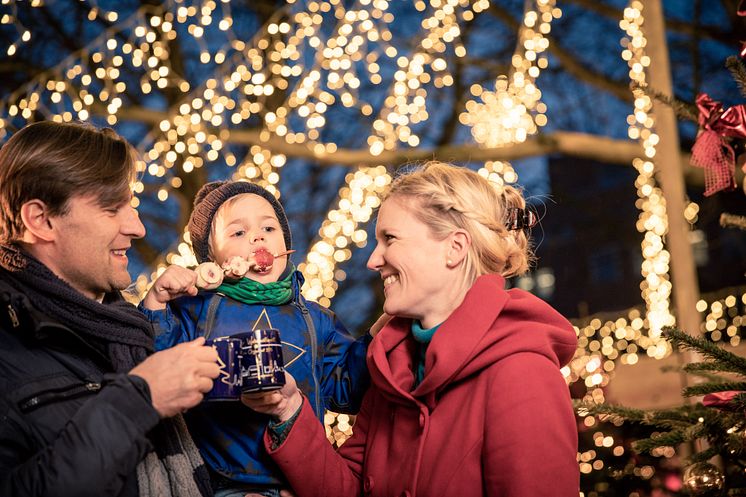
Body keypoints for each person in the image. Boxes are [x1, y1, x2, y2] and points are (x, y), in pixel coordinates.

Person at [244, 162, 580, 497]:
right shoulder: (393, 369)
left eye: (389, 238)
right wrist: (289, 410)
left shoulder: (522, 374)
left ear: (455, 248)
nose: (373, 261)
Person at [0, 121, 222, 497]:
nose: (137, 228)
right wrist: (138, 401)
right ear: (41, 220)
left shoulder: (125, 330)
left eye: (131, 205)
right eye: (111, 208)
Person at [140, 180, 372, 497]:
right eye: (238, 232)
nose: (258, 236)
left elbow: (349, 390)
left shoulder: (316, 319)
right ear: (212, 257)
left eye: (269, 228)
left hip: (300, 477)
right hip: (218, 482)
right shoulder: (196, 309)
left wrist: (379, 339)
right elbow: (155, 363)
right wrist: (156, 304)